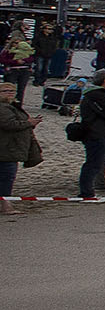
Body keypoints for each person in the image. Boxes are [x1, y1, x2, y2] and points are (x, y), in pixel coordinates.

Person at [76, 71, 105, 199]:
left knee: (94, 162)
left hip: (100, 132)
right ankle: (86, 192)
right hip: (96, 133)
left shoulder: (100, 95)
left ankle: (87, 190)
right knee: (93, 163)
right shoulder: (97, 95)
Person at [0, 81, 42, 213]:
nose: (10, 93)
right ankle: (6, 206)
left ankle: (6, 205)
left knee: (7, 177)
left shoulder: (12, 106)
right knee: (7, 177)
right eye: (6, 91)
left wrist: (30, 123)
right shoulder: (3, 107)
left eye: (12, 91)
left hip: (12, 147)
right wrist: (28, 123)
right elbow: (9, 124)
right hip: (6, 148)